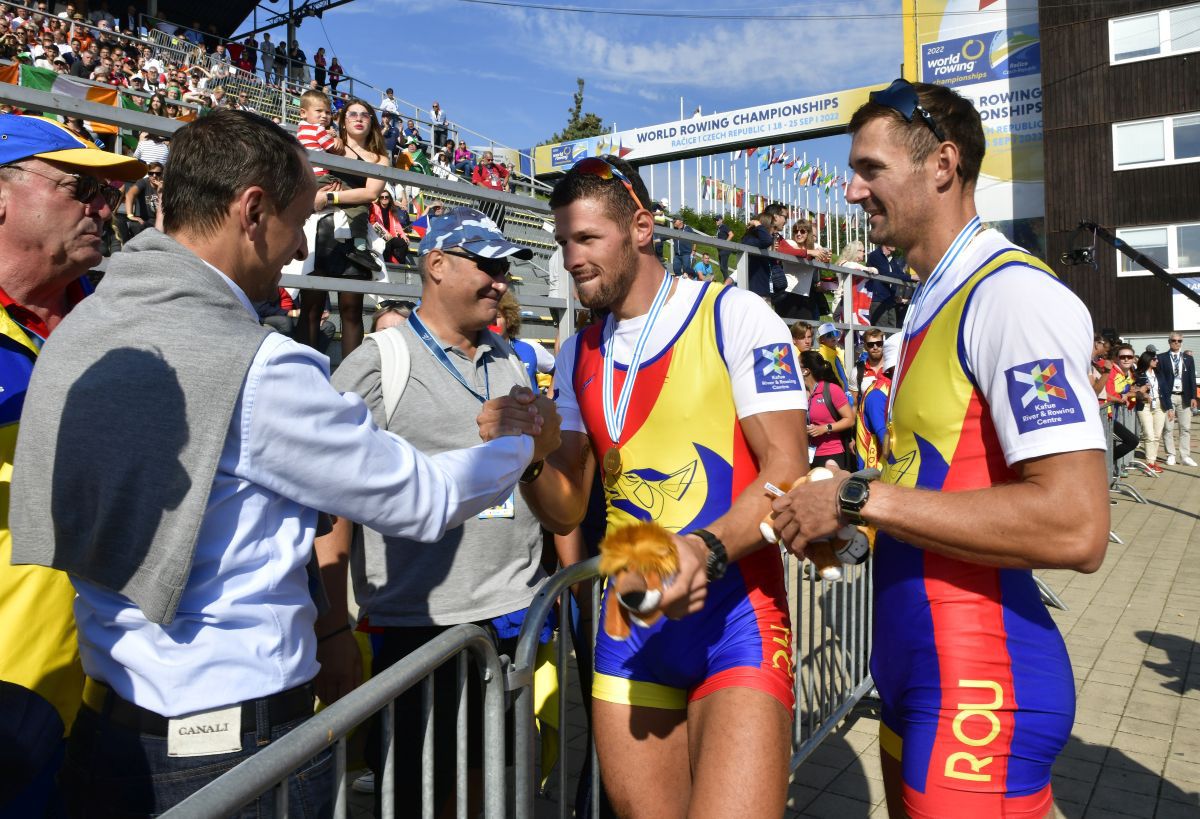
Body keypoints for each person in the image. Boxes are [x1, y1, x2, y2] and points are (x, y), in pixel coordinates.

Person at [8, 109, 559, 815]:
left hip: (103, 731)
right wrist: (523, 447)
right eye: (298, 220)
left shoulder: (85, 325)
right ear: (253, 210)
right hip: (231, 745)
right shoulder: (259, 366)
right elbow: (422, 498)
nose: (300, 245)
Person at [769, 79, 1109, 819]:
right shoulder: (930, 299)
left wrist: (857, 496)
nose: (853, 192)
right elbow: (942, 482)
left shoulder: (1011, 296)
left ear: (943, 165)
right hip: (915, 672)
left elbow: (1076, 525)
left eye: (869, 169)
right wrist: (850, 529)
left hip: (980, 683)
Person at [518, 155, 808, 817]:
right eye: (563, 242)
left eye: (586, 239)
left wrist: (702, 548)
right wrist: (532, 460)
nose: (570, 258)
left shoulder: (735, 315)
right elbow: (566, 506)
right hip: (631, 626)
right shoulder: (575, 352)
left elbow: (786, 468)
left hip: (737, 615)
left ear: (641, 228)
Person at [321, 208, 558, 815]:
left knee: (494, 786)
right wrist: (331, 627)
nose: (502, 280)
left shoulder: (511, 358)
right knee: (420, 794)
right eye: (487, 265)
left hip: (510, 614)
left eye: (506, 267)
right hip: (419, 626)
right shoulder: (379, 362)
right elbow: (328, 501)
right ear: (435, 265)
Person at [0, 113, 144, 817]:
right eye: (79, 187)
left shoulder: (119, 328)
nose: (102, 208)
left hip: (104, 693)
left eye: (108, 194)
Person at [298, 98, 390, 359]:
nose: (358, 118)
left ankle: (352, 382)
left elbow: (370, 193)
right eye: (352, 114)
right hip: (318, 230)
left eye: (365, 114)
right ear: (343, 119)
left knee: (351, 310)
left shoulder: (380, 158)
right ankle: (305, 379)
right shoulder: (327, 144)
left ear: (371, 120)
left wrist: (329, 198)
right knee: (311, 309)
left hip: (353, 233)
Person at [799, 350, 855, 470]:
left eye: (797, 365)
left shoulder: (831, 389)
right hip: (808, 455)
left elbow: (850, 420)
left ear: (806, 370)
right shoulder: (801, 393)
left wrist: (824, 428)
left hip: (831, 454)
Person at [855, 334, 897, 471]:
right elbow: (885, 439)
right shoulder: (877, 395)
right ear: (893, 367)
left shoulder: (892, 388)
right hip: (877, 470)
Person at [1157, 331, 1197, 466]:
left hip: (1184, 396)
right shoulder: (1161, 358)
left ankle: (1185, 455)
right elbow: (1160, 380)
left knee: (1185, 427)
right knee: (1168, 428)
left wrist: (1193, 396)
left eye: (1179, 341)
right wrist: (1164, 397)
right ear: (1169, 342)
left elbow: (1191, 378)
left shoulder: (1187, 358)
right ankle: (1171, 454)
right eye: (1174, 341)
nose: (1176, 343)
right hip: (1169, 396)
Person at [1106, 342, 1141, 465]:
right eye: (1122, 357)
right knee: (1131, 441)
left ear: (1133, 358)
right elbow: (1106, 394)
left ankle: (1106, 466)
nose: (1126, 359)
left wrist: (1132, 394)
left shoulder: (1127, 372)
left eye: (1129, 357)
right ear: (1117, 358)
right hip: (1105, 416)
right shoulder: (1112, 372)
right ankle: (1105, 465)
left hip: (1112, 416)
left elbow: (1127, 391)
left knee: (1130, 441)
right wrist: (1123, 397)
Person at [1135, 350, 1166, 472]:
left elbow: (1165, 390)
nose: (1157, 361)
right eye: (1154, 359)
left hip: (1159, 405)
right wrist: (1142, 393)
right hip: (1145, 405)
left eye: (1157, 359)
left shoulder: (1158, 373)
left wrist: (1169, 408)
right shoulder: (1138, 374)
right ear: (1148, 360)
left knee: (1157, 435)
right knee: (1149, 434)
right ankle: (1150, 463)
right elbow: (1134, 389)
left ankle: (1152, 461)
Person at [120, 160, 162, 240]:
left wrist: (162, 191)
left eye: (158, 174)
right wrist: (130, 215)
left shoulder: (166, 185)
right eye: (151, 173)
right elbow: (129, 194)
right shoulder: (143, 182)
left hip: (160, 220)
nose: (154, 176)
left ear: (162, 174)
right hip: (145, 219)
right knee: (136, 225)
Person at [815, 321, 852, 400]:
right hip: (833, 397)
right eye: (829, 335)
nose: (833, 337)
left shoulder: (837, 352)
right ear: (821, 339)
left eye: (835, 333)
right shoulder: (821, 356)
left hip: (844, 394)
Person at [855, 327, 886, 394]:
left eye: (879, 343)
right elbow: (854, 403)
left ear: (883, 344)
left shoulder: (893, 369)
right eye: (871, 344)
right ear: (865, 347)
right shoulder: (857, 371)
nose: (875, 347)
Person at [714, 213, 732, 280]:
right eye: (715, 220)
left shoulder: (724, 226)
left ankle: (727, 282)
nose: (716, 221)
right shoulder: (718, 228)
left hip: (725, 249)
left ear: (721, 220)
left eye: (717, 220)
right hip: (720, 250)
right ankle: (727, 281)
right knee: (722, 268)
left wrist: (725, 243)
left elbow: (731, 234)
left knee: (723, 267)